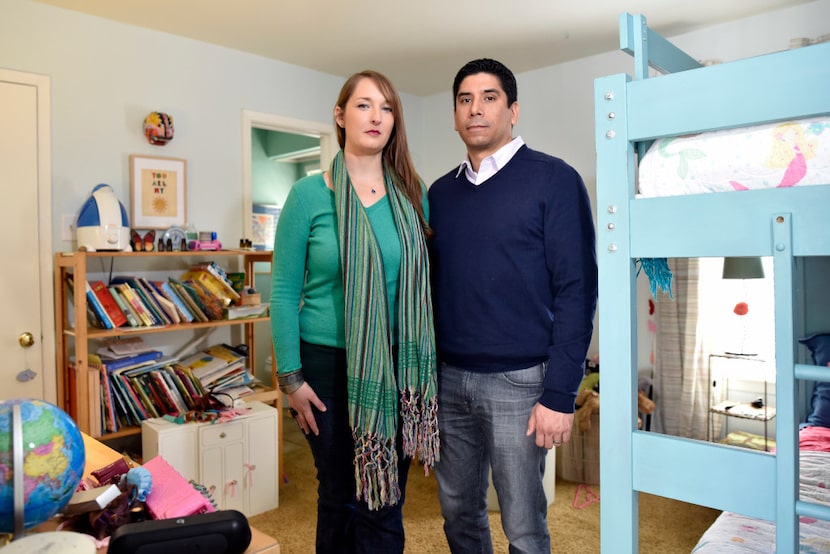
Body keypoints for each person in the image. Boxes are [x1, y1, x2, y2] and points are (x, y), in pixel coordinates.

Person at [428, 58, 598, 553]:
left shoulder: (554, 180)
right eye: (464, 100)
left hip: (521, 384)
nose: (475, 109)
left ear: (513, 110)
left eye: (489, 98)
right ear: (456, 114)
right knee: (458, 514)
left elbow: (577, 291)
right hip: (448, 379)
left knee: (523, 526)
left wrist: (560, 394)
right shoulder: (440, 193)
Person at [269, 70, 438, 553]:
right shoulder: (308, 196)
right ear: (341, 117)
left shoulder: (412, 193)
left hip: (396, 364)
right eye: (364, 105)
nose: (376, 117)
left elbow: (426, 283)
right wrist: (291, 378)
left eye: (386, 107)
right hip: (324, 366)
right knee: (341, 496)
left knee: (386, 500)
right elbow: (282, 292)